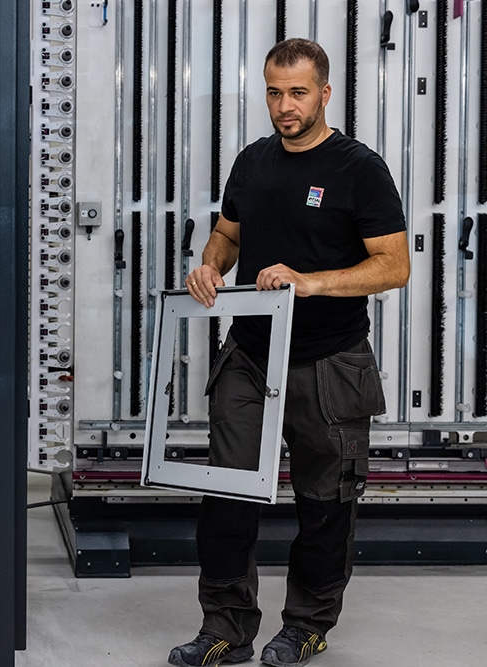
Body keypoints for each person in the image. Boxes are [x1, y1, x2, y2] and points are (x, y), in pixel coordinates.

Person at [168, 39, 410, 667]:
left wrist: (310, 281)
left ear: (325, 93)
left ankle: (306, 624)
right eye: (274, 92)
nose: (285, 106)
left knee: (325, 505)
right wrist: (209, 267)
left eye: (298, 92)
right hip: (249, 356)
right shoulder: (252, 162)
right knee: (227, 496)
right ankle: (225, 627)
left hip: (329, 364)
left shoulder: (360, 168)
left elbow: (394, 266)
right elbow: (228, 232)